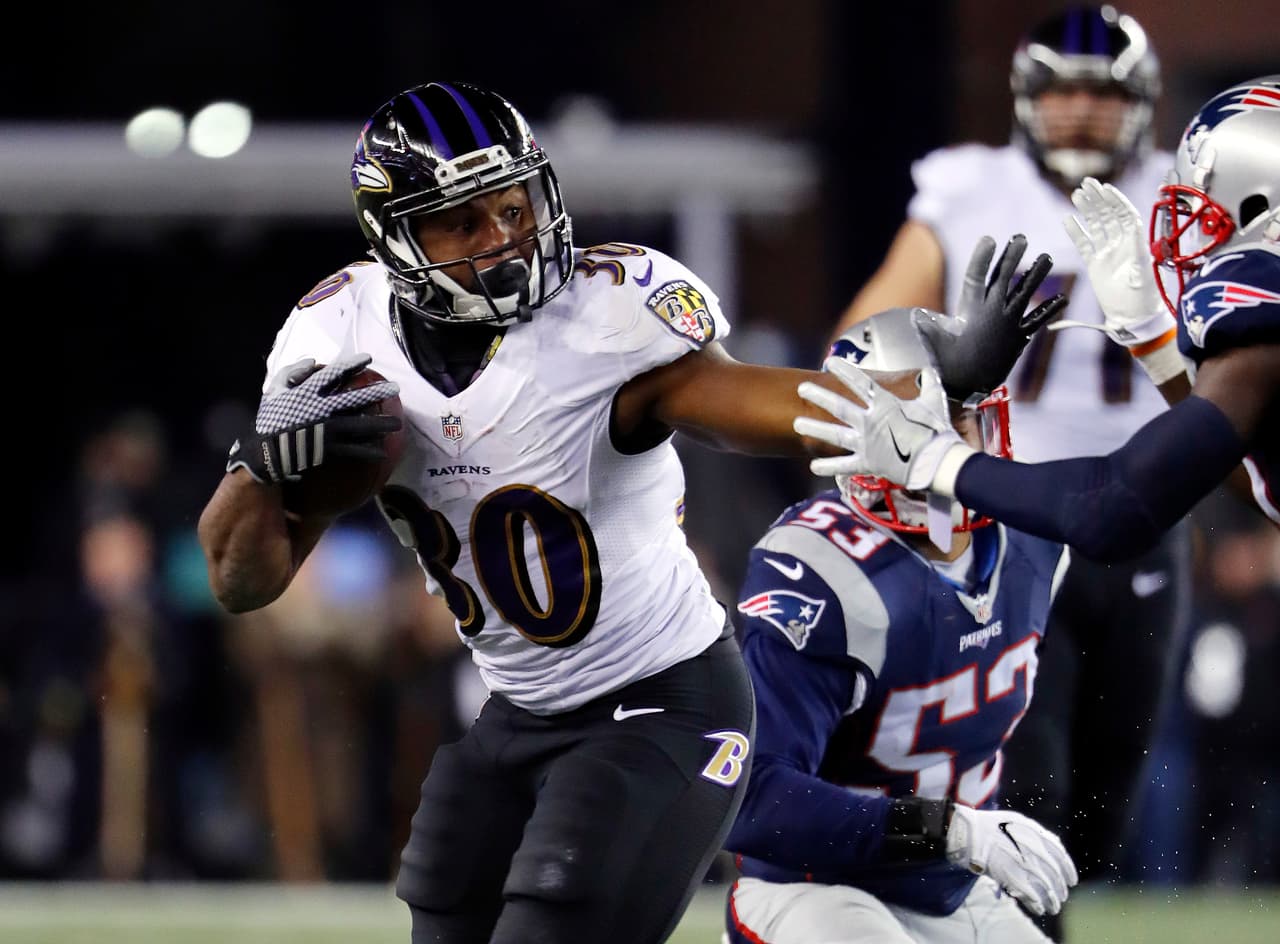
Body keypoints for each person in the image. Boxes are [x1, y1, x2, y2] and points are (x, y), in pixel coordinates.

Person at [196, 81, 1059, 944]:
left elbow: (773, 408)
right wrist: (260, 468)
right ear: (396, 237)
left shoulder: (607, 314)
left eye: (514, 207)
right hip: (516, 706)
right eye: (464, 221)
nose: (504, 240)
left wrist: (929, 393)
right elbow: (240, 580)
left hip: (666, 700)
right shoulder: (340, 337)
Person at [826, 7, 1187, 933]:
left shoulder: (1186, 198)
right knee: (1029, 785)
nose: (1078, 112)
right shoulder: (970, 188)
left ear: (1140, 105)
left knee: (1102, 816)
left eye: (1101, 93)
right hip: (1007, 516)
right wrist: (943, 376)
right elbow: (860, 344)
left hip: (1142, 513)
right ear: (1027, 100)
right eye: (1059, 90)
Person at [795, 73, 1280, 612]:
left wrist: (938, 460)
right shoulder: (972, 189)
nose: (1190, 230)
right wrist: (1155, 343)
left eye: (1210, 203)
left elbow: (1110, 510)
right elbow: (1261, 477)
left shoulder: (1258, 298)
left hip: (1083, 503)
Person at [725, 307, 1077, 944]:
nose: (943, 445)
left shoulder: (1034, 540)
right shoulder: (818, 572)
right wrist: (950, 830)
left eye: (962, 418)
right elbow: (747, 802)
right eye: (918, 425)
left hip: (951, 889)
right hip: (810, 891)